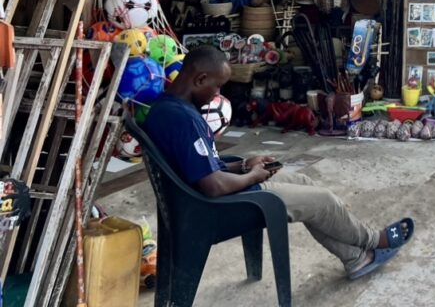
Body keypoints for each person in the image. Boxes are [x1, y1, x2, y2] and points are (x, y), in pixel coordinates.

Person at [144, 46, 414, 280]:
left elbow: (200, 167)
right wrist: (253, 177)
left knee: (305, 183)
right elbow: (212, 186)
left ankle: (356, 258)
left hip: (200, 199)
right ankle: (372, 240)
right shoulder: (181, 120)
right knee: (323, 201)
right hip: (215, 208)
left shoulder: (170, 108)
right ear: (200, 78)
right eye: (217, 86)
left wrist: (245, 165)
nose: (217, 94)